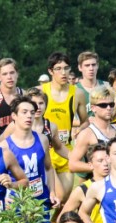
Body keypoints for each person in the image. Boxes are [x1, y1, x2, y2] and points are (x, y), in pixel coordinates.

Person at [0, 96, 59, 223]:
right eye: (24, 112)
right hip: (18, 206)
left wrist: (52, 191)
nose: (29, 116)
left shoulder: (43, 139)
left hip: (40, 204)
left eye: (32, 112)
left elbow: (49, 168)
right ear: (14, 116)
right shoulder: (5, 147)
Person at [40, 52, 76, 196]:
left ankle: (56, 220)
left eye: (66, 68)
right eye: (58, 68)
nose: (63, 72)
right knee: (58, 196)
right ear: (50, 71)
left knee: (65, 199)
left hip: (65, 150)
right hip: (46, 151)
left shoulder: (76, 93)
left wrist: (78, 129)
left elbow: (85, 120)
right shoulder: (40, 92)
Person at [68, 84, 116, 174]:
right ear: (93, 108)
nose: (109, 108)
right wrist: (98, 167)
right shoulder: (87, 134)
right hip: (100, 184)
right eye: (103, 105)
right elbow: (72, 164)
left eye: (111, 104)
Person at [73, 51, 100, 127]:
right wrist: (86, 121)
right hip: (82, 133)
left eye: (93, 65)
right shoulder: (74, 90)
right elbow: (66, 119)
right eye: (87, 65)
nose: (91, 68)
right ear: (80, 68)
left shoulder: (106, 86)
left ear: (97, 66)